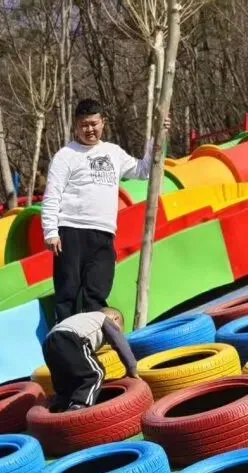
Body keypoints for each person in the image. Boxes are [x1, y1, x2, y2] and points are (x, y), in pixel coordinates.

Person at [42, 98, 171, 323]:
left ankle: (93, 332)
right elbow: (52, 194)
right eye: (84, 125)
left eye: (94, 124)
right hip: (71, 230)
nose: (89, 130)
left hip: (103, 232)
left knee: (97, 289)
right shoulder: (66, 155)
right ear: (76, 125)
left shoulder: (113, 152)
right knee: (68, 290)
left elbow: (143, 170)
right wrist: (50, 231)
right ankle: (65, 333)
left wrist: (158, 137)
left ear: (103, 122)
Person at [44, 306, 138, 412]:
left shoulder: (85, 319)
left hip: (48, 343)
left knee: (66, 381)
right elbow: (120, 344)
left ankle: (60, 408)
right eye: (119, 330)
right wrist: (131, 369)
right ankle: (79, 406)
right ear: (116, 318)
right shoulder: (104, 319)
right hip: (69, 337)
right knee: (95, 374)